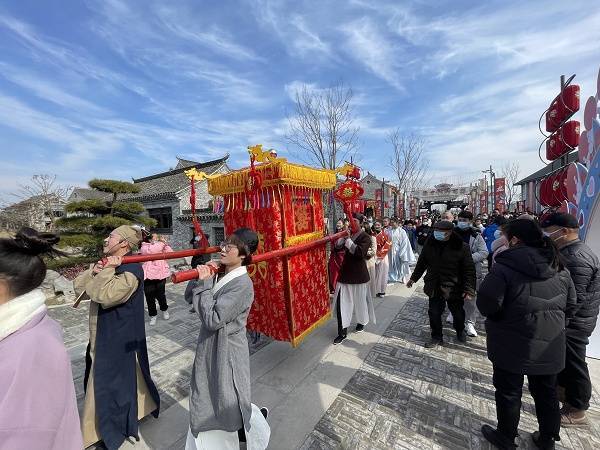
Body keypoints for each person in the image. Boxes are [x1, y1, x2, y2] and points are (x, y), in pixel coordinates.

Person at [477, 219, 576, 450]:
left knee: (509, 392)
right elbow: (571, 305)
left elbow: (488, 303)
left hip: (510, 341)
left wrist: (501, 320)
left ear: (514, 240)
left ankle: (506, 437)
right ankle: (547, 439)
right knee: (546, 393)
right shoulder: (559, 265)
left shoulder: (504, 266)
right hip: (549, 343)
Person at [74, 225, 160, 450]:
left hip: (118, 336)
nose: (105, 239)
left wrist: (106, 271)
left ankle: (107, 430)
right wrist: (97, 270)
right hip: (103, 331)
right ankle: (135, 410)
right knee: (116, 379)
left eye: (110, 236)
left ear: (123, 243)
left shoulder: (133, 270)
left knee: (106, 384)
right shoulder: (108, 262)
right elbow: (79, 287)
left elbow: (105, 295)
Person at [0, 228, 83, 450]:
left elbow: (23, 437)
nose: (107, 241)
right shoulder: (25, 331)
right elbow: (84, 285)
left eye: (112, 237)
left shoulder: (27, 349)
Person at [187, 228, 270, 449]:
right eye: (224, 243)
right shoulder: (221, 273)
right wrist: (201, 275)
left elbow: (213, 319)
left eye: (230, 246)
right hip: (211, 345)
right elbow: (191, 299)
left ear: (243, 254)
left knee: (226, 399)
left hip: (228, 350)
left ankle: (241, 436)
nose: (223, 248)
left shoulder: (243, 284)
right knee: (209, 394)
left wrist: (204, 286)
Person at [541, 212, 600, 426]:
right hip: (569, 322)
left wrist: (559, 322)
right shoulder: (568, 252)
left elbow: (574, 298)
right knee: (567, 364)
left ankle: (577, 410)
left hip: (574, 324)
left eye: (548, 232)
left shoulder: (577, 258)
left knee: (575, 365)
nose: (546, 236)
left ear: (564, 231)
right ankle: (566, 399)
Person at [407, 220, 476, 348]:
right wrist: (413, 278)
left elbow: (469, 270)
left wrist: (469, 289)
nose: (437, 233)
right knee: (433, 313)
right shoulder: (430, 242)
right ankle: (436, 337)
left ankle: (460, 330)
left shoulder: (462, 246)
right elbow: (422, 262)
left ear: (449, 232)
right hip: (435, 284)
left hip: (454, 286)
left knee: (458, 313)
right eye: (436, 231)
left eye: (440, 232)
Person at [333, 214, 375, 345]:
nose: (352, 223)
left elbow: (360, 253)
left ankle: (361, 322)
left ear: (362, 223)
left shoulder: (366, 237)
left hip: (359, 275)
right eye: (351, 220)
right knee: (342, 304)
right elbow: (337, 248)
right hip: (345, 275)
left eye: (355, 220)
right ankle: (342, 332)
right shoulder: (347, 233)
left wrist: (349, 242)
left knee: (360, 302)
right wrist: (341, 240)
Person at [451, 211, 488, 337]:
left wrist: (468, 258)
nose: (462, 222)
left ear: (471, 221)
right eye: (460, 219)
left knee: (470, 297)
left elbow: (484, 252)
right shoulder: (452, 233)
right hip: (453, 270)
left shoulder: (476, 235)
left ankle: (470, 322)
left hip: (470, 271)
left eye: (465, 220)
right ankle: (453, 313)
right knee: (452, 295)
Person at [141, 233, 173, 325]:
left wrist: (165, 245)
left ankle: (164, 309)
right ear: (150, 239)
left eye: (158, 237)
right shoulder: (145, 246)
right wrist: (161, 243)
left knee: (161, 295)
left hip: (160, 274)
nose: (158, 239)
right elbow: (152, 251)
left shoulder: (161, 245)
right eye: (155, 237)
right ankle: (153, 315)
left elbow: (171, 253)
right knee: (149, 296)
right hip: (148, 275)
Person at [186, 233, 212, 313]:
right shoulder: (199, 243)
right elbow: (192, 243)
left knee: (197, 286)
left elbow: (197, 248)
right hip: (197, 266)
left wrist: (198, 240)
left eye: (198, 238)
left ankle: (195, 304)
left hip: (201, 268)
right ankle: (194, 304)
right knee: (196, 286)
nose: (196, 241)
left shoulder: (205, 244)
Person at [388, 218, 416, 283]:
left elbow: (405, 242)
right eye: (391, 222)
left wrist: (402, 252)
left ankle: (403, 276)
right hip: (390, 249)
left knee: (401, 264)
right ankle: (393, 276)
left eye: (393, 222)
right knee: (392, 264)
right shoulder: (389, 230)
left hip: (399, 250)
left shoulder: (402, 231)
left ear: (397, 223)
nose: (391, 224)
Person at [373, 220, 391, 297]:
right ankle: (375, 290)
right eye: (376, 225)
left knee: (383, 274)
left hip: (383, 257)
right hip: (373, 256)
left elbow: (388, 245)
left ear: (381, 226)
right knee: (375, 274)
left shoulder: (385, 235)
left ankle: (382, 291)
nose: (377, 226)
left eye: (378, 225)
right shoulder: (372, 235)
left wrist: (380, 255)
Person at [328, 219, 346, 294]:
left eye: (340, 223)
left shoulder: (344, 234)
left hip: (341, 256)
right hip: (333, 255)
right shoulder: (334, 234)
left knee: (340, 272)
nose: (338, 225)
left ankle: (340, 287)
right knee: (333, 271)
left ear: (343, 225)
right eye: (337, 223)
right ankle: (333, 287)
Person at [364, 224, 378, 299]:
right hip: (362, 261)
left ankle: (370, 294)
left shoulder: (372, 238)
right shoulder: (359, 239)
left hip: (369, 261)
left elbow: (373, 251)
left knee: (370, 278)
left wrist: (363, 252)